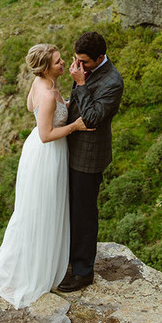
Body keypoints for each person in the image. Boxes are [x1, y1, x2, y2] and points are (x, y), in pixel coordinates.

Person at [0, 43, 91, 309]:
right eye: (58, 62)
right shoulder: (46, 93)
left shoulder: (41, 85)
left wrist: (63, 105)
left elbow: (28, 107)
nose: (62, 64)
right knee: (41, 209)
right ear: (46, 68)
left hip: (40, 151)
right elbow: (46, 135)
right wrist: (74, 125)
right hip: (47, 154)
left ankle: (36, 257)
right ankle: (33, 268)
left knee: (37, 207)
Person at [57, 31, 124, 292]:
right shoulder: (84, 68)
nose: (78, 66)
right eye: (76, 60)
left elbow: (92, 117)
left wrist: (81, 84)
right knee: (68, 209)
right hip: (69, 146)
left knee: (84, 214)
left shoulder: (113, 82)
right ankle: (67, 260)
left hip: (88, 156)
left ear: (100, 57)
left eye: (84, 62)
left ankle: (83, 272)